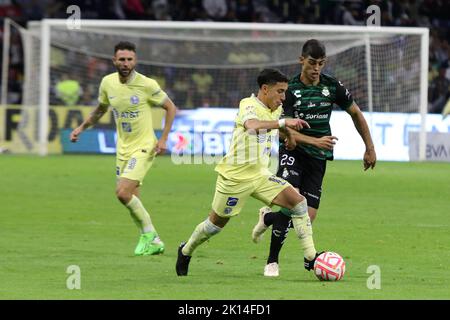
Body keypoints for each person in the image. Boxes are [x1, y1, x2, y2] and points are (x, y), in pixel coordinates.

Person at [176, 68, 324, 276]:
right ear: (265, 89)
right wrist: (283, 123)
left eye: (285, 92)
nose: (283, 97)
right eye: (280, 91)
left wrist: (288, 136)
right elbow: (252, 126)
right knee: (214, 225)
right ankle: (186, 250)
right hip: (235, 178)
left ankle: (312, 256)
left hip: (260, 176)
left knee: (298, 202)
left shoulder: (275, 109)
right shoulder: (249, 105)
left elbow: (277, 126)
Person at [252, 39, 377, 277]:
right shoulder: (288, 89)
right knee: (292, 202)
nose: (316, 68)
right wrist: (313, 140)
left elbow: (356, 114)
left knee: (307, 216)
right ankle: (272, 262)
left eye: (321, 63)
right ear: (302, 60)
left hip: (318, 157)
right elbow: (283, 128)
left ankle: (268, 217)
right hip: (293, 151)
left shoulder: (332, 86)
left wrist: (369, 147)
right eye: (311, 62)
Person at [70, 41, 177, 256]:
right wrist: (81, 127)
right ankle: (150, 239)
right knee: (132, 198)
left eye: (129, 59)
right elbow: (100, 109)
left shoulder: (146, 84)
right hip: (123, 148)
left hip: (145, 146)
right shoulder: (107, 83)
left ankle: (152, 238)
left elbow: (170, 107)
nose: (126, 63)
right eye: (122, 59)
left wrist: (163, 138)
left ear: (135, 61)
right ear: (114, 61)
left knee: (122, 193)